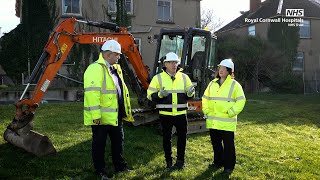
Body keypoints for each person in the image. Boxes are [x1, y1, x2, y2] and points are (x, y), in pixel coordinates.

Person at [83, 40, 134, 179]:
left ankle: (120, 166)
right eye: (117, 55)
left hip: (115, 115)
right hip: (101, 117)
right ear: (108, 54)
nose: (118, 57)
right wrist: (95, 116)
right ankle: (100, 171)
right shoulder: (95, 69)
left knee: (118, 141)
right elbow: (92, 94)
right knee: (99, 144)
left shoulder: (115, 68)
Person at [147, 52, 195, 170]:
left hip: (181, 114)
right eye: (171, 62)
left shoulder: (184, 77)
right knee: (166, 139)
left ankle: (180, 162)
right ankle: (169, 161)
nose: (174, 65)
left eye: (176, 62)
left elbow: (191, 94)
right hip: (165, 114)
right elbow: (149, 95)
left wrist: (190, 93)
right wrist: (159, 94)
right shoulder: (157, 78)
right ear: (165, 64)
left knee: (182, 138)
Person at [202, 58, 246, 176]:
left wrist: (232, 112)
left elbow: (241, 101)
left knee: (228, 146)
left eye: (223, 68)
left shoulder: (235, 85)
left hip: (227, 122)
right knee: (216, 144)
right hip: (213, 121)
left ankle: (228, 167)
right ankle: (218, 162)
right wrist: (206, 110)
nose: (220, 70)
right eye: (219, 68)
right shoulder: (212, 83)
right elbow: (205, 98)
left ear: (229, 71)